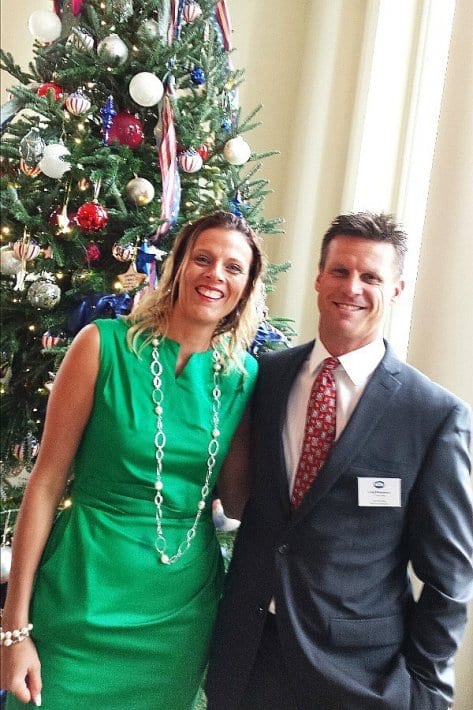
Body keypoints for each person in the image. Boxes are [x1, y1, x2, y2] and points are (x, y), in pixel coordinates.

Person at [205, 211, 473, 710]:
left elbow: (449, 579)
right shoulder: (263, 378)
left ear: (395, 290)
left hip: (358, 679)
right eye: (341, 271)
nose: (353, 287)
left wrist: (425, 691)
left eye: (371, 277)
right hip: (245, 660)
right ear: (318, 277)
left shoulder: (434, 417)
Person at [0, 210, 264, 709]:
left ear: (247, 286)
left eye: (234, 268)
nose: (215, 275)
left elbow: (240, 497)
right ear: (179, 266)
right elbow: (45, 484)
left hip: (179, 616)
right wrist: (14, 630)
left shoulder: (244, 377)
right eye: (202, 259)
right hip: (83, 593)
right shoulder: (102, 345)